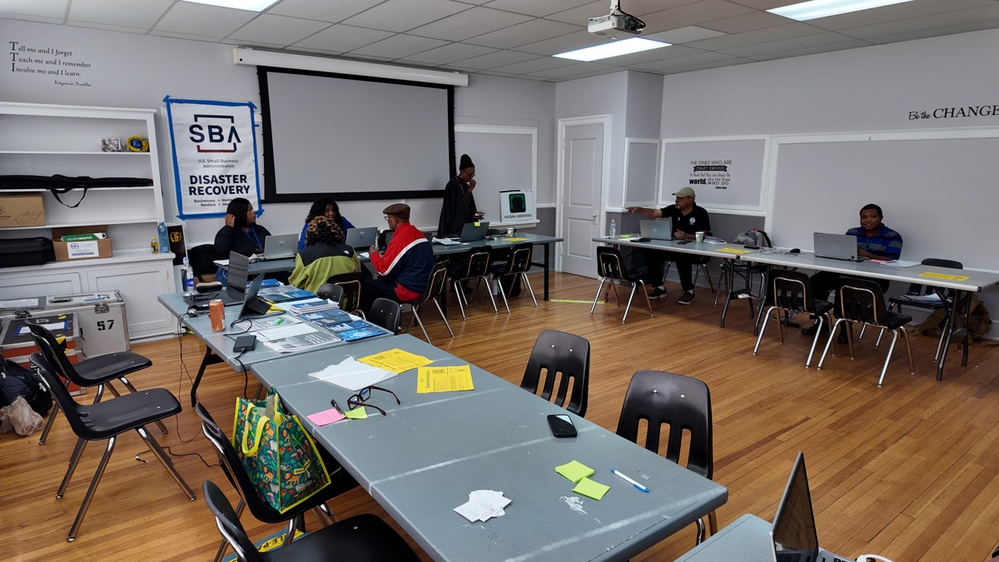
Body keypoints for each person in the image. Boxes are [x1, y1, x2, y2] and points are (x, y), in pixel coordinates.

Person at [803, 203, 904, 336]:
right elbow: (843, 251)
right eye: (864, 217)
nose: (868, 220)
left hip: (875, 277)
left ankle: (846, 329)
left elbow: (892, 260)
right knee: (816, 280)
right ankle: (822, 321)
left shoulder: (893, 236)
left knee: (844, 287)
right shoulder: (853, 232)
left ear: (881, 217)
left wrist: (870, 256)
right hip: (849, 271)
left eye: (873, 216)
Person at [626, 187, 711, 305]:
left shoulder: (700, 212)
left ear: (690, 200)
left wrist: (687, 235)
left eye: (680, 198)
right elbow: (654, 213)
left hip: (695, 249)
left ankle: (688, 291)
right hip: (675, 246)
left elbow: (704, 233)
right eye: (676, 198)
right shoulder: (674, 209)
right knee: (651, 253)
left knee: (682, 256)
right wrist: (639, 209)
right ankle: (659, 287)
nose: (677, 200)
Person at [363, 203, 435, 311]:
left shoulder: (401, 238)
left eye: (388, 218)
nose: (387, 220)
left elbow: (384, 270)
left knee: (366, 287)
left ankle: (373, 323)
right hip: (425, 286)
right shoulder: (418, 234)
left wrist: (373, 253)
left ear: (394, 220)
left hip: (410, 289)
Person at [288, 216, 360, 294]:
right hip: (347, 302)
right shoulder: (350, 251)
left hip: (317, 304)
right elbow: (358, 275)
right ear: (337, 231)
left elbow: (295, 285)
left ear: (309, 234)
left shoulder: (305, 256)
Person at [213, 197, 270, 285]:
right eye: (249, 210)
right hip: (235, 271)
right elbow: (220, 251)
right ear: (239, 213)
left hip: (260, 270)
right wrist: (228, 228)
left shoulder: (260, 230)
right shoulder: (227, 232)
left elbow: (272, 249)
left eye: (252, 209)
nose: (253, 212)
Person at [437, 153, 484, 237]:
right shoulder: (453, 184)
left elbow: (467, 207)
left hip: (465, 228)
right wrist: (470, 189)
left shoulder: (465, 185)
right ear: (462, 171)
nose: (470, 177)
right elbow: (459, 208)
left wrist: (475, 213)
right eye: (469, 175)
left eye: (473, 175)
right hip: (455, 228)